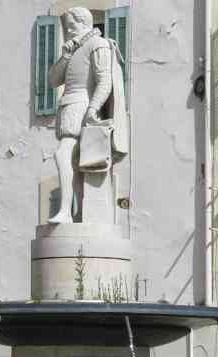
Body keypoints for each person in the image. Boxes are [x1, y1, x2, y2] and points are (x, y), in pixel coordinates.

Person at [46, 7, 128, 224]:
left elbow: (104, 81)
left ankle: (65, 211)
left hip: (82, 105)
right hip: (68, 106)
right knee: (74, 162)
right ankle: (78, 213)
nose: (68, 30)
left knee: (63, 154)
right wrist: (65, 56)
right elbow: (53, 81)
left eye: (71, 26)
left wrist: (93, 109)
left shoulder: (98, 44)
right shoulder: (73, 50)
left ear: (84, 23)